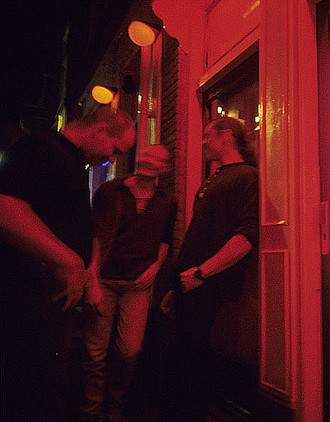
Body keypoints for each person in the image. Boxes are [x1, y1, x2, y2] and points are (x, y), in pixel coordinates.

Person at [0, 106, 135, 421]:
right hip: (26, 299)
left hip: (47, 300)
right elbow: (5, 206)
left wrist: (89, 274)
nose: (113, 159)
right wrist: (69, 260)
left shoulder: (72, 162)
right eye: (116, 149)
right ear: (101, 130)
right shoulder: (41, 148)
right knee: (28, 388)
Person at [162, 116, 258, 421]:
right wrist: (176, 285)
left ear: (226, 136)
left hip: (204, 282)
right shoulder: (215, 176)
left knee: (193, 354)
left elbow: (246, 237)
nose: (203, 142)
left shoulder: (247, 176)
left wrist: (201, 272)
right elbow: (198, 232)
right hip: (187, 280)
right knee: (183, 351)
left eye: (208, 136)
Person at [80, 144, 176, 422]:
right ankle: (91, 410)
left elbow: (165, 239)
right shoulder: (111, 192)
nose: (146, 159)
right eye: (145, 154)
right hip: (106, 279)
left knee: (129, 351)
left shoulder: (167, 201)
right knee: (95, 351)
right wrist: (92, 278)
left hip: (137, 285)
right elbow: (96, 236)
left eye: (155, 157)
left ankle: (115, 407)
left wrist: (155, 267)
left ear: (165, 168)